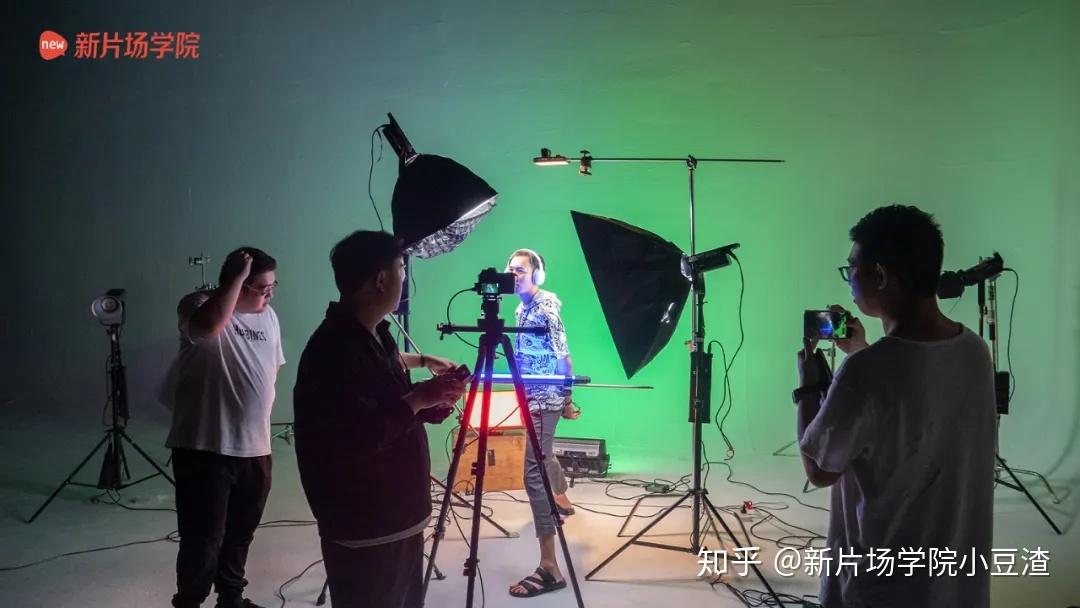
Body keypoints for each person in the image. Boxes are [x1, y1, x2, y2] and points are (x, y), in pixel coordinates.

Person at [794, 205, 996, 608]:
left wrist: (808, 388)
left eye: (852, 268)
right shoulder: (974, 351)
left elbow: (819, 469)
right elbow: (911, 401)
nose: (849, 279)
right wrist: (860, 351)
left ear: (881, 275)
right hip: (956, 586)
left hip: (883, 588)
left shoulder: (865, 373)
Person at [293, 230, 466, 608]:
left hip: (399, 518)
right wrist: (419, 398)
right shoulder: (334, 350)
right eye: (402, 269)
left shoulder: (378, 336)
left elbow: (387, 406)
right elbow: (357, 437)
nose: (405, 279)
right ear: (381, 279)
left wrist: (431, 402)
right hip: (367, 524)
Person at [165, 247, 284, 608]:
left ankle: (231, 599)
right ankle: (190, 602)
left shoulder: (269, 317)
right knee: (203, 538)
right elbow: (210, 327)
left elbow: (273, 368)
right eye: (261, 288)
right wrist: (234, 277)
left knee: (240, 534)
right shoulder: (198, 305)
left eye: (273, 287)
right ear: (237, 283)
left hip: (255, 448)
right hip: (206, 448)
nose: (269, 295)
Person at [504, 248, 581, 599]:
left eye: (520, 270)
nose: (513, 275)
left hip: (545, 399)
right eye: (511, 269)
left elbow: (565, 360)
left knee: (532, 472)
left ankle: (550, 565)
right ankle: (561, 498)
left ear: (537, 274)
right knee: (543, 454)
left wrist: (566, 400)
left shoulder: (546, 309)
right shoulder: (521, 309)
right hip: (529, 397)